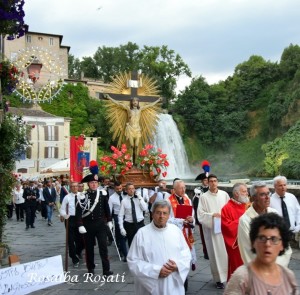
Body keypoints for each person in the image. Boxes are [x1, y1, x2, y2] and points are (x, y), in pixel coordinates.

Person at [127, 200, 192, 295]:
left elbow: (186, 254)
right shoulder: (142, 233)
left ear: (169, 215)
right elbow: (133, 261)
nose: (161, 216)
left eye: (164, 213)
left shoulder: (176, 231)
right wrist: (156, 271)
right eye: (158, 213)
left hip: (173, 283)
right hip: (152, 286)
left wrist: (178, 265)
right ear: (152, 214)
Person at [225, 213, 299, 295]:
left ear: (282, 245)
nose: (267, 244)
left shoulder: (288, 276)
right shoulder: (242, 277)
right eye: (262, 238)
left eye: (274, 239)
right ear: (253, 242)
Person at [238, 181, 292, 267]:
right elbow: (248, 251)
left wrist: (278, 266)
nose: (267, 197)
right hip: (260, 271)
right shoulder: (245, 220)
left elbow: (285, 244)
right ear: (253, 199)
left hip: (280, 268)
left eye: (268, 193)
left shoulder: (274, 213)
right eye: (263, 195)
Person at [75, 172, 113, 275]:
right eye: (92, 182)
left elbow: (107, 208)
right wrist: (80, 225)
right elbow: (78, 212)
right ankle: (90, 268)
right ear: (88, 184)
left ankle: (106, 269)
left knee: (103, 247)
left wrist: (109, 220)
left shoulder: (102, 194)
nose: (94, 184)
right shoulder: (83, 196)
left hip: (100, 225)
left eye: (95, 182)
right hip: (88, 225)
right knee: (89, 248)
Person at [197, 174, 230, 289]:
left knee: (226, 253)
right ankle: (218, 279)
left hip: (224, 229)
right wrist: (212, 215)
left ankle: (228, 276)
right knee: (214, 254)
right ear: (208, 183)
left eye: (215, 181)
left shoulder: (224, 195)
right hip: (212, 231)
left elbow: (229, 210)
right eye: (211, 181)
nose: (213, 183)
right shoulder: (203, 197)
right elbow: (200, 215)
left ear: (218, 182)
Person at [221, 183, 249, 281]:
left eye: (246, 191)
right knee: (238, 271)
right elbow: (227, 228)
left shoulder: (248, 206)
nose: (247, 193)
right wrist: (243, 220)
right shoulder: (226, 208)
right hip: (237, 246)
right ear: (236, 194)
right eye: (244, 191)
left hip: (250, 244)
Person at [60, 181, 84, 267]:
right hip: (70, 219)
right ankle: (74, 258)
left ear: (78, 187)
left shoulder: (82, 196)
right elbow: (62, 209)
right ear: (70, 188)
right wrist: (64, 215)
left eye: (76, 186)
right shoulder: (67, 197)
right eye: (73, 186)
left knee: (81, 239)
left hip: (80, 219)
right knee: (70, 240)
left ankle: (78, 251)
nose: (74, 188)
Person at [118, 182, 148, 247]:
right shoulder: (124, 201)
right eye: (129, 189)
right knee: (131, 244)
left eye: (133, 188)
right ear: (126, 190)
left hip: (140, 223)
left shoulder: (139, 198)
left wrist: (140, 198)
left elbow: (144, 208)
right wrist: (121, 228)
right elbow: (120, 215)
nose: (131, 190)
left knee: (142, 243)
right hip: (129, 225)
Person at [108, 182, 128, 262]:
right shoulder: (112, 198)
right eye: (117, 189)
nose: (119, 190)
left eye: (120, 188)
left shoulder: (126, 195)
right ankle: (125, 254)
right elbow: (109, 209)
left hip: (126, 215)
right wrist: (109, 220)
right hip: (117, 216)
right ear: (114, 189)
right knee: (121, 235)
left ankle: (121, 247)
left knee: (125, 235)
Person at [192, 172, 209, 260]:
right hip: (202, 215)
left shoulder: (212, 189)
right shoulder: (198, 190)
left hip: (211, 215)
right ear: (202, 181)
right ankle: (206, 252)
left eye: (207, 180)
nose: (206, 182)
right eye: (204, 180)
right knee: (203, 235)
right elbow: (195, 204)